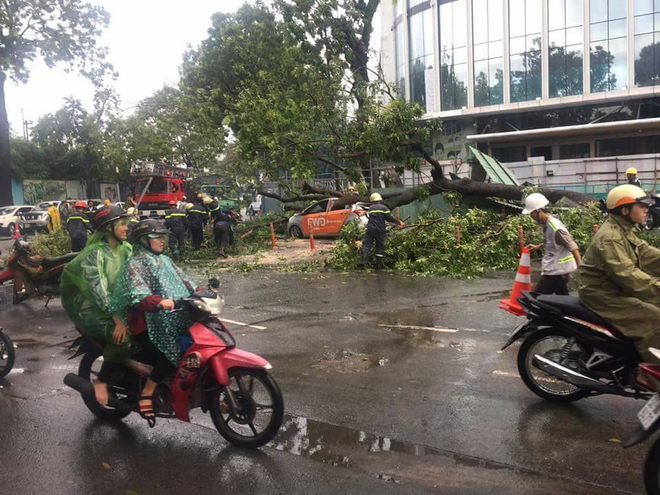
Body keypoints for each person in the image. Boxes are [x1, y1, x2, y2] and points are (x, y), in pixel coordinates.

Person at [110, 219, 199, 426]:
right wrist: (158, 302)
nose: (162, 240)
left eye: (163, 236)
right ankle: (147, 394)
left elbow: (186, 281)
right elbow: (137, 292)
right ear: (143, 241)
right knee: (174, 349)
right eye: (157, 237)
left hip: (170, 317)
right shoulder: (135, 264)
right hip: (146, 321)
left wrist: (202, 292)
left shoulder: (165, 260)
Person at [60, 205, 138, 406]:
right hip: (88, 307)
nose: (126, 227)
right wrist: (118, 320)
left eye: (126, 223)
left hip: (116, 304)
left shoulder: (126, 249)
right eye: (122, 224)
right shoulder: (94, 255)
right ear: (108, 228)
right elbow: (99, 291)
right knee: (123, 339)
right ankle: (101, 381)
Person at [579, 184, 660, 362]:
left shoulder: (624, 229)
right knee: (655, 319)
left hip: (615, 289)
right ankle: (651, 375)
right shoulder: (610, 237)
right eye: (642, 206)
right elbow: (628, 275)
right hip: (602, 294)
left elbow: (646, 254)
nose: (647, 210)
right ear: (625, 210)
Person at [522, 193, 581, 295]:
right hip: (559, 271)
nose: (531, 217)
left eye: (531, 214)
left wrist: (581, 268)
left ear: (538, 211)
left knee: (537, 298)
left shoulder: (555, 226)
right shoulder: (547, 224)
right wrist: (538, 246)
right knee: (562, 300)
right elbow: (553, 243)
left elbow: (572, 246)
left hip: (557, 271)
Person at [359, 193, 404, 269]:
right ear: (380, 200)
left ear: (372, 200)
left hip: (370, 229)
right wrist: (399, 222)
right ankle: (378, 265)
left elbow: (369, 215)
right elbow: (389, 218)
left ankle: (363, 262)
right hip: (380, 230)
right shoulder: (384, 208)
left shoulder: (371, 208)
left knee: (366, 246)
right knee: (379, 247)